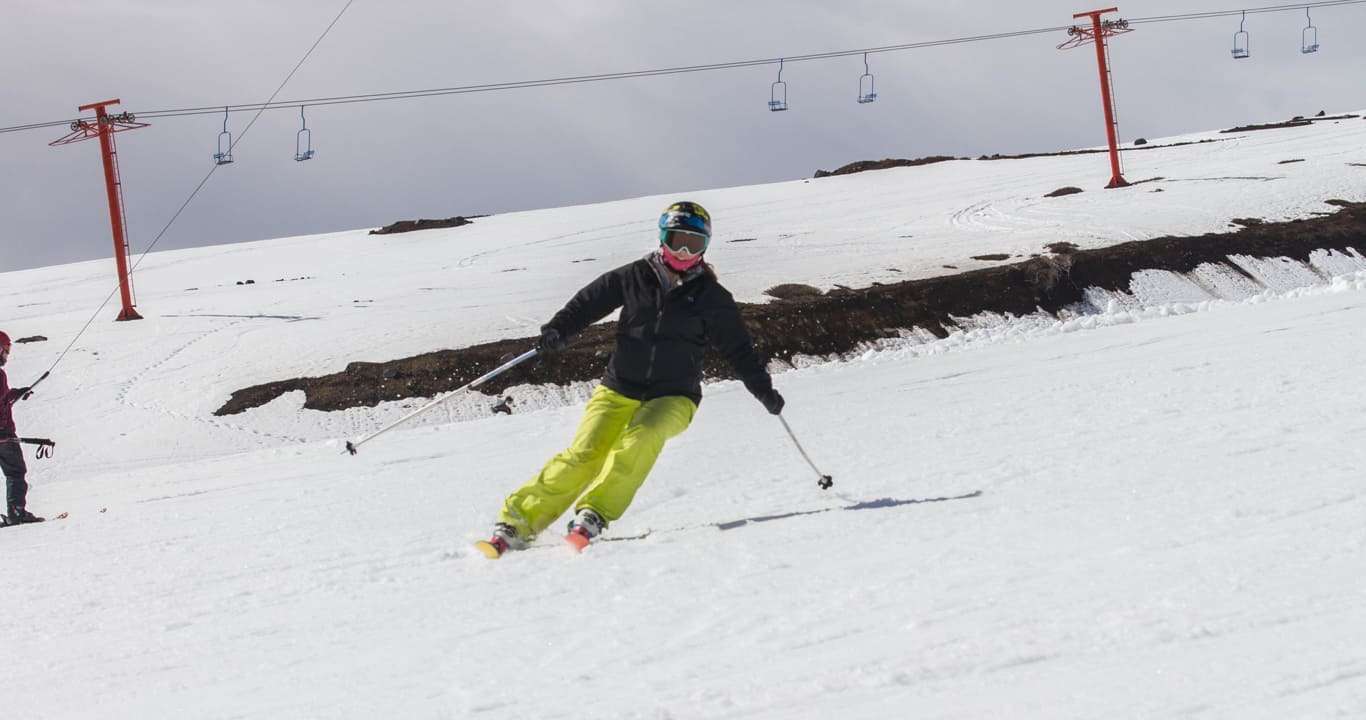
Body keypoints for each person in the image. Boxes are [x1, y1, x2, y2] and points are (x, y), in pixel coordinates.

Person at [476, 201, 784, 557]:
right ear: (662, 238)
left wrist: (762, 389)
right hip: (619, 387)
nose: (683, 251)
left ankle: (593, 514)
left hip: (674, 396)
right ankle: (516, 524)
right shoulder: (634, 276)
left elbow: (738, 348)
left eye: (693, 243)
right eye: (676, 240)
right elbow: (588, 303)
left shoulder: (712, 298)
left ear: (705, 247)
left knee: (641, 438)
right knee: (585, 453)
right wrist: (558, 330)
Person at [0, 331, 42, 525]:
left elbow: (3, 398)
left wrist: (18, 392)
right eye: (6, 351)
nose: (7, 356)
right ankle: (17, 512)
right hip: (4, 434)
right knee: (16, 471)